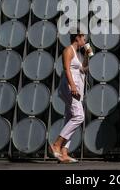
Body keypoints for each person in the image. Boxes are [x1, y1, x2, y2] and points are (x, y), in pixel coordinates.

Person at [50, 31, 91, 163]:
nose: (84, 41)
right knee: (79, 116)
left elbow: (83, 69)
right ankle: (57, 144)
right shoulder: (68, 50)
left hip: (75, 89)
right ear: (77, 38)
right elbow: (67, 69)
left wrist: (86, 55)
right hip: (70, 88)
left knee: (70, 118)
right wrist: (73, 86)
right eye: (83, 38)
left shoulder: (77, 53)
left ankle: (64, 153)